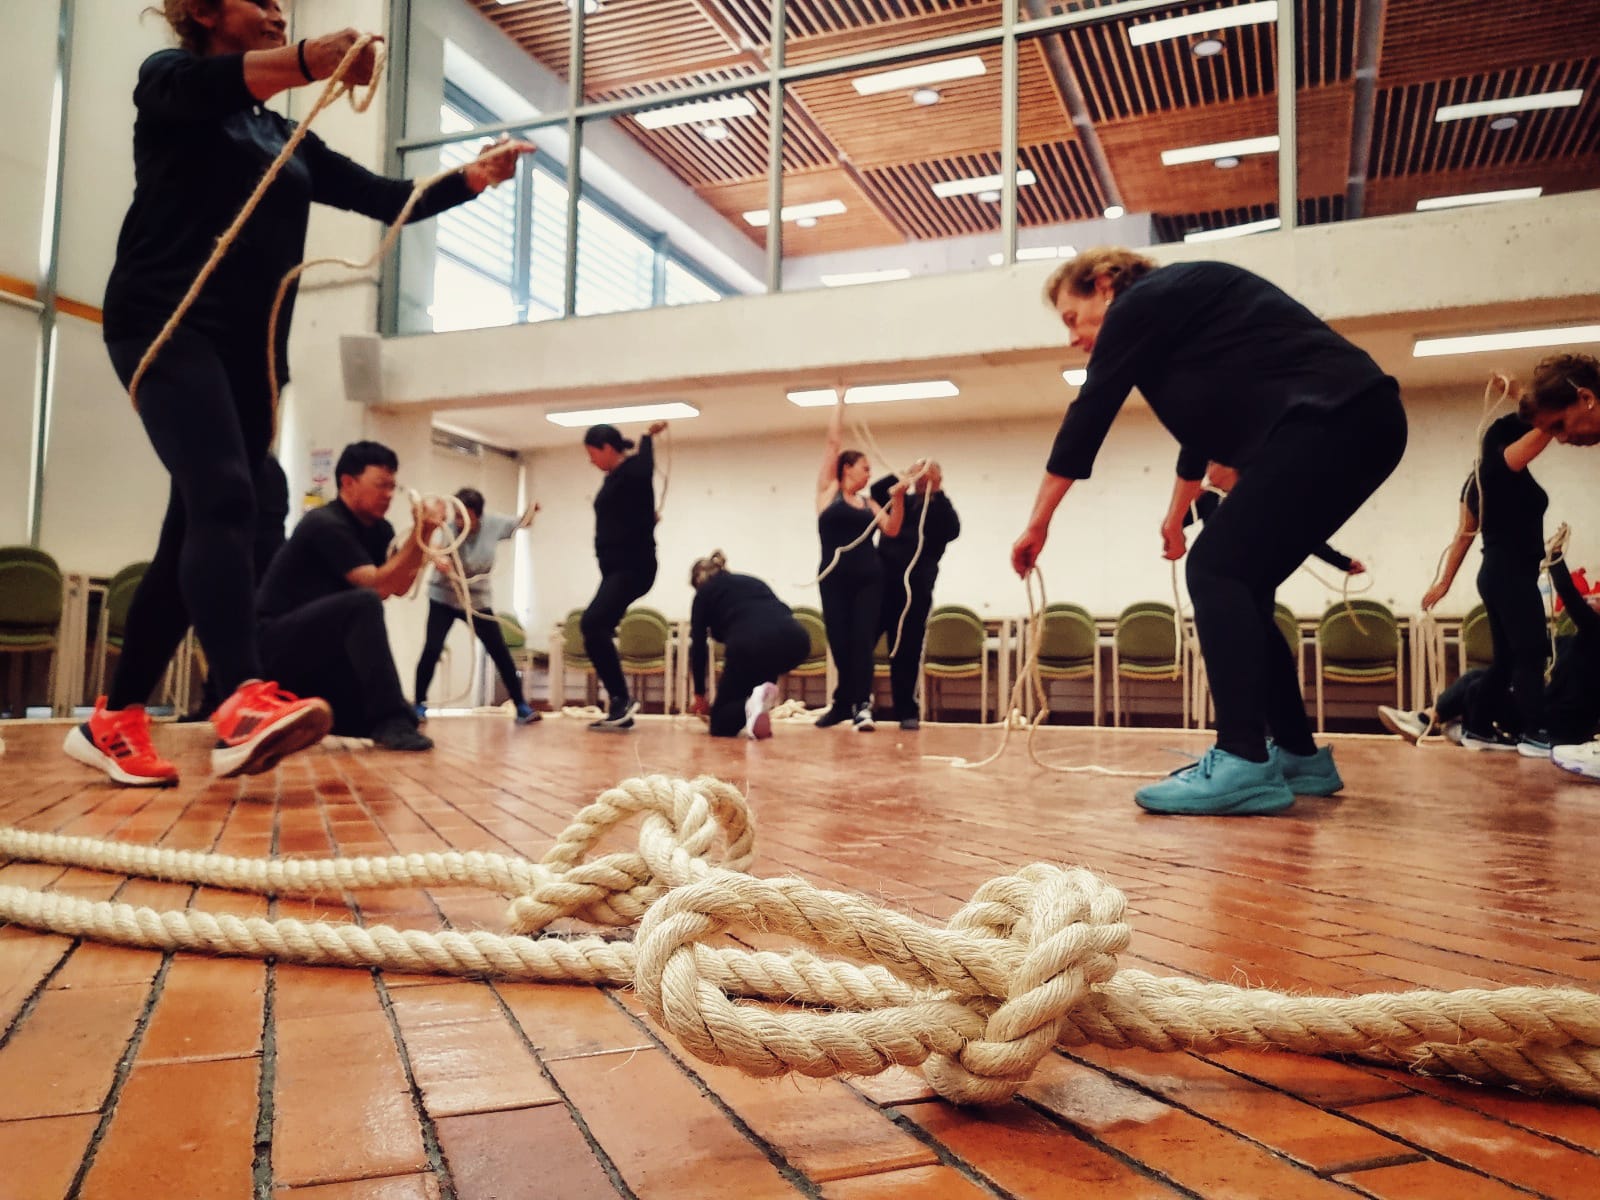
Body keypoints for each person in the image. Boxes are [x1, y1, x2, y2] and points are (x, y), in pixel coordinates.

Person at [66, 1, 531, 786]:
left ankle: (113, 718)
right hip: (164, 322)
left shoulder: (283, 136)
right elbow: (216, 86)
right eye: (262, 0)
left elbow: (384, 196)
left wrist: (473, 178)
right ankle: (243, 697)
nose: (277, 10)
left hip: (248, 355)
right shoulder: (169, 79)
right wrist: (313, 58)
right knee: (227, 495)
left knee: (193, 530)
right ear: (205, 11)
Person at [1012, 248, 1407, 816]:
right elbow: (1202, 427)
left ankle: (1243, 758)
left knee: (1215, 569)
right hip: (1359, 421)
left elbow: (1089, 414)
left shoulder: (1138, 305)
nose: (1073, 338)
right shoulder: (1180, 314)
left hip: (1335, 420)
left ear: (1104, 283)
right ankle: (1298, 757)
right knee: (1245, 586)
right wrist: (1176, 515)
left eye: (1073, 318)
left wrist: (1038, 522)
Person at [255, 441, 439, 751]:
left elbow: (398, 587)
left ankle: (385, 717)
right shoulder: (325, 524)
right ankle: (389, 717)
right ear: (348, 482)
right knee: (364, 602)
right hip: (276, 647)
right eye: (380, 485)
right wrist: (420, 533)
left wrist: (426, 533)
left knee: (392, 719)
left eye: (392, 487)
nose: (388, 495)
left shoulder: (381, 530)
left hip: (319, 652)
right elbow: (376, 587)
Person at [1383, 526, 1600, 767]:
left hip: (1561, 728)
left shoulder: (1596, 636)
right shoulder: (1570, 642)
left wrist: (1555, 556)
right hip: (1543, 713)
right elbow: (1529, 648)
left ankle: (1445, 721)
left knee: (1479, 686)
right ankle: (1431, 718)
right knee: (1479, 679)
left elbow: (1570, 596)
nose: (1593, 598)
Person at [1418, 387, 1553, 754]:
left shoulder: (1479, 478)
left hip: (1495, 574)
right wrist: (1528, 396)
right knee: (1531, 652)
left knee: (1507, 660)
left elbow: (1464, 535)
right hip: (1511, 573)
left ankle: (1477, 727)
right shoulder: (1505, 463)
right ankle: (1535, 733)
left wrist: (1445, 583)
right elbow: (1548, 423)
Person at [815, 397, 908, 731]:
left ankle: (861, 705)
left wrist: (898, 499)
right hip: (834, 579)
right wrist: (839, 402)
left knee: (862, 641)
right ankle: (845, 703)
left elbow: (892, 529)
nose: (870, 473)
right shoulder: (828, 492)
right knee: (840, 642)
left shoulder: (869, 504)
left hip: (869, 579)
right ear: (847, 468)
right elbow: (832, 443)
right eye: (865, 467)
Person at [413, 489, 541, 725]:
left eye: (465, 516)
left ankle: (521, 706)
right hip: (444, 597)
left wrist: (532, 510)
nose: (459, 521)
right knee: (432, 649)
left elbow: (522, 522)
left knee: (499, 651)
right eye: (457, 515)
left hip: (477, 600)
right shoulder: (448, 528)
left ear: (478, 515)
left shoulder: (494, 524)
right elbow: (431, 549)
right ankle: (418, 705)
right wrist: (438, 559)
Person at [582, 421, 666, 731]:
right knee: (598, 627)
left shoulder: (632, 470)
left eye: (592, 453)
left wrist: (646, 437)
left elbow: (645, 468)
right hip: (618, 569)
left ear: (607, 448)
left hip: (633, 568)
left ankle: (621, 699)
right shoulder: (616, 478)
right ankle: (620, 705)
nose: (590, 460)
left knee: (592, 623)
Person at [871, 461, 961, 730]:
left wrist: (936, 491)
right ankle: (858, 705)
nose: (922, 479)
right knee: (862, 644)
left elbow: (953, 530)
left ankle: (906, 711)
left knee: (907, 651)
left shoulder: (940, 509)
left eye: (927, 475)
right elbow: (877, 490)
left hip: (916, 592)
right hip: (881, 588)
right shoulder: (901, 502)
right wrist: (904, 475)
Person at [685, 553, 811, 739]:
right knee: (758, 688)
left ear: (697, 580)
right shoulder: (752, 582)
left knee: (720, 724)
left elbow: (698, 647)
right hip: (796, 641)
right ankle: (757, 708)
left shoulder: (703, 594)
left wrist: (699, 694)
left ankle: (752, 703)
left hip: (750, 645)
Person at [1166, 463, 1366, 577]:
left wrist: (1342, 562)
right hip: (1217, 572)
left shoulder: (1262, 496)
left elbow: (1302, 536)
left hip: (1255, 575)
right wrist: (1189, 499)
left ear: (1230, 467)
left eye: (1212, 463)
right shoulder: (1208, 499)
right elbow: (1176, 526)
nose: (1207, 469)